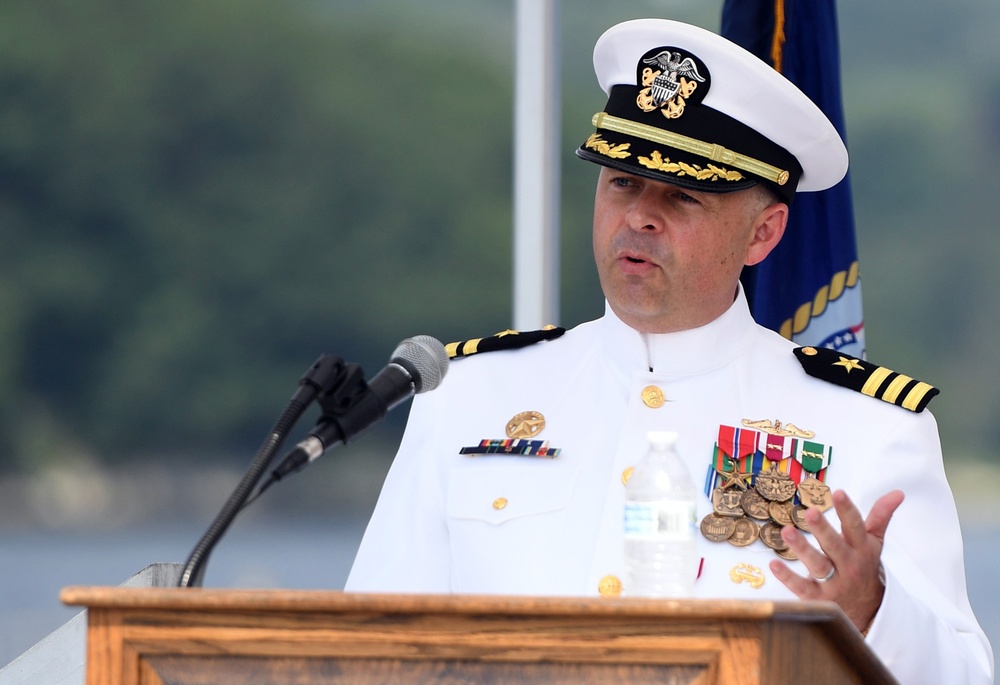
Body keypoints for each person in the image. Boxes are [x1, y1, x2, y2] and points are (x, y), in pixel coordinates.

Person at [345, 18, 993, 684]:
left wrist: (874, 609)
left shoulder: (873, 429)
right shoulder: (467, 395)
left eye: (682, 195)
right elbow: (364, 649)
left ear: (763, 234)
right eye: (622, 183)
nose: (639, 216)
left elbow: (966, 674)